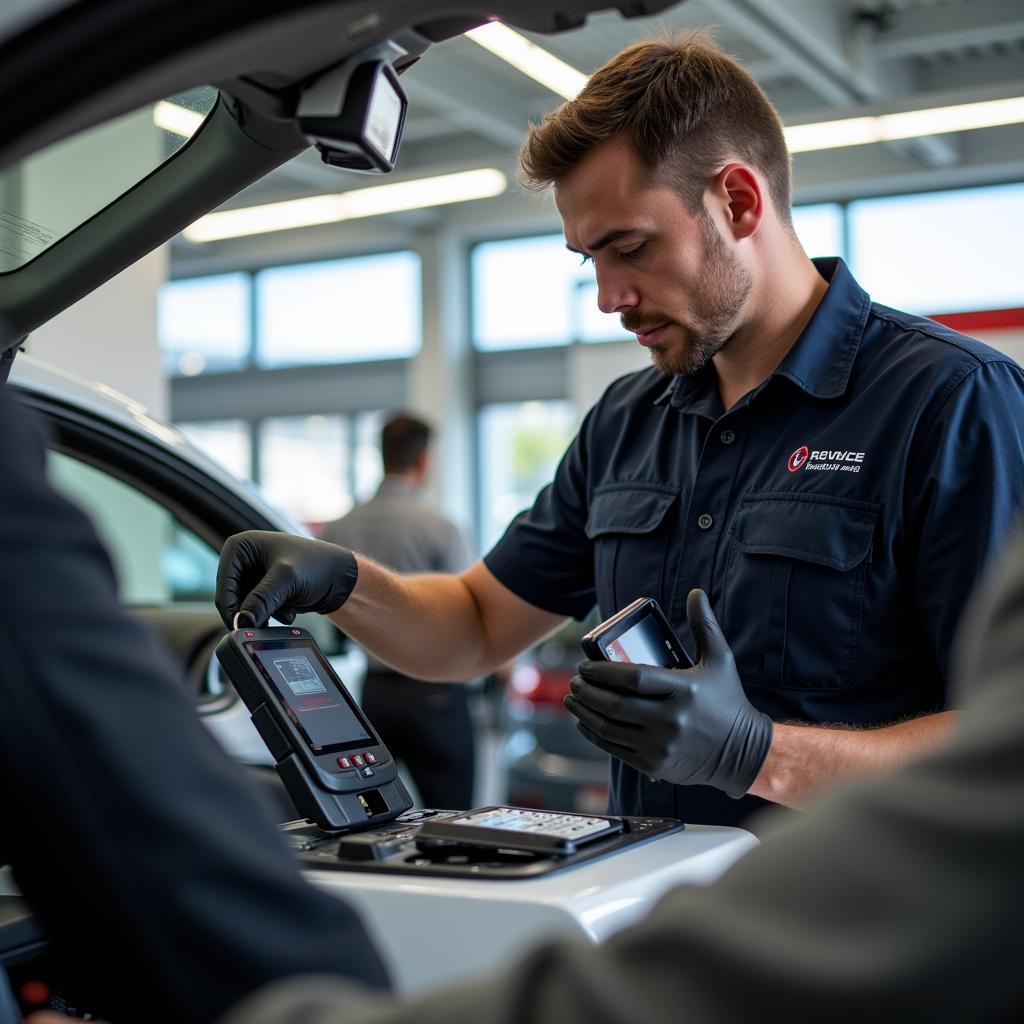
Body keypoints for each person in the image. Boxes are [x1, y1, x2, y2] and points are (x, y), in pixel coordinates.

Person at [216, 31, 1024, 830]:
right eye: (588, 260)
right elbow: (472, 627)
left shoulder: (952, 404)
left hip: (861, 947)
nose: (608, 297)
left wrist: (753, 752)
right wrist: (345, 582)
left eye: (630, 248)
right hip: (655, 922)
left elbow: (1001, 747)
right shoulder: (628, 421)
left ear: (738, 202)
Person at [319, 414, 475, 809]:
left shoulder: (338, 529)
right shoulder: (439, 528)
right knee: (451, 817)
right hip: (434, 692)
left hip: (373, 694)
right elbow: (470, 615)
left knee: (370, 814)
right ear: (423, 461)